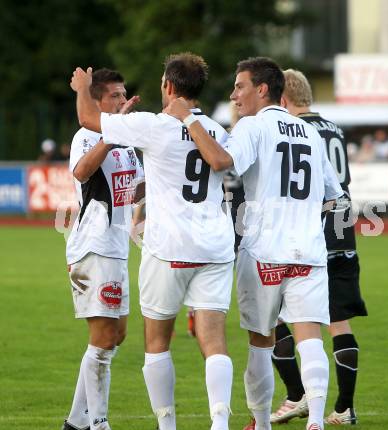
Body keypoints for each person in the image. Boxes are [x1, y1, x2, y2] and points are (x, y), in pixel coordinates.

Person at [165, 57, 343, 430]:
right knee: (309, 335)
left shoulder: (253, 126)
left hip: (264, 250)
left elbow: (224, 162)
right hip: (309, 251)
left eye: (240, 86)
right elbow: (332, 193)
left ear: (262, 89)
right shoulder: (309, 131)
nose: (234, 95)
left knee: (261, 341)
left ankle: (261, 423)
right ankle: (315, 421)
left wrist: (189, 119)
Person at [70, 53, 235, 430]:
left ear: (169, 86)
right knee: (213, 340)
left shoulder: (152, 125)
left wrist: (82, 89)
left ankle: (167, 426)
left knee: (157, 341)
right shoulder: (215, 129)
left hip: (169, 248)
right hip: (214, 247)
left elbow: (87, 120)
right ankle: (220, 422)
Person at [270, 69, 368, 426]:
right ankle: (344, 408)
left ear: (283, 98)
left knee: (276, 316)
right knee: (339, 322)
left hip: (309, 234)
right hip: (343, 233)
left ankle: (296, 395)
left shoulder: (297, 130)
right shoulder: (335, 128)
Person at [63, 68, 144, 430]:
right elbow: (82, 172)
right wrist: (110, 136)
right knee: (103, 339)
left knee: (117, 335)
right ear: (97, 101)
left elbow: (136, 189)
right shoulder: (87, 135)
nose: (122, 101)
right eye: (115, 96)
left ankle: (75, 422)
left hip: (116, 248)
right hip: (93, 247)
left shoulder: (126, 143)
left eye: (124, 95)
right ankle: (97, 423)